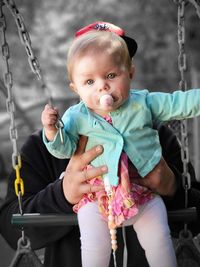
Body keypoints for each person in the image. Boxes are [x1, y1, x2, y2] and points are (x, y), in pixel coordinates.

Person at [0, 22, 199, 267]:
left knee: (157, 241)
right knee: (94, 246)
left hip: (145, 207)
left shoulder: (157, 138)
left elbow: (194, 217)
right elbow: (10, 228)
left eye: (111, 74)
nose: (103, 85)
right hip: (88, 223)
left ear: (129, 72)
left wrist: (173, 187)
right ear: (76, 84)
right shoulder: (45, 144)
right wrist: (63, 195)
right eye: (90, 79)